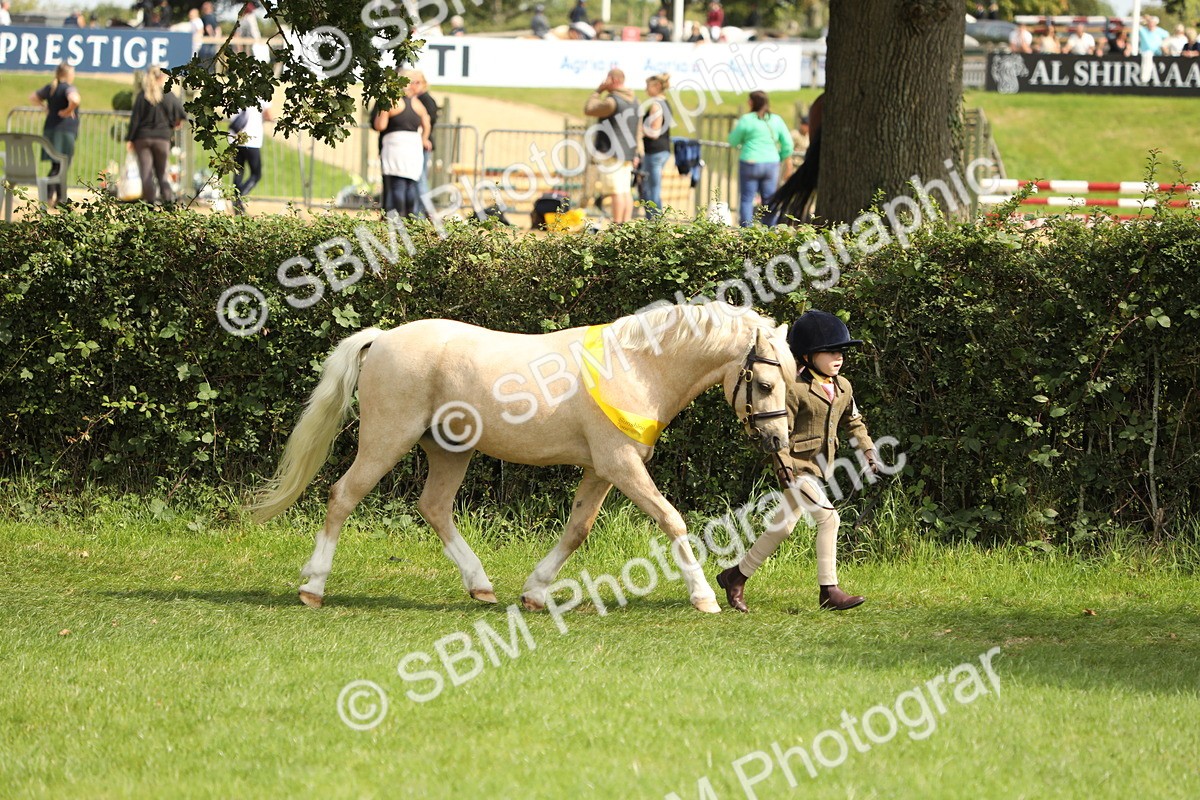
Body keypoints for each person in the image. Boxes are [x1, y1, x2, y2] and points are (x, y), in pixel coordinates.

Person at [715, 310, 878, 613]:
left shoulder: (843, 387)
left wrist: (867, 451)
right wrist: (783, 465)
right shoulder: (795, 389)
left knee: (782, 527)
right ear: (807, 356)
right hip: (797, 467)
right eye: (829, 351)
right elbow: (779, 432)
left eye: (840, 351)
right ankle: (828, 590)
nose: (837, 357)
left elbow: (854, 423)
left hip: (820, 468)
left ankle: (734, 576)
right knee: (829, 518)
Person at [727, 90, 792, 227]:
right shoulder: (776, 120)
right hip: (771, 164)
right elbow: (788, 144)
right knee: (769, 200)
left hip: (750, 162)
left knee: (746, 199)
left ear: (752, 102)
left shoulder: (747, 119)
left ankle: (747, 232)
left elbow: (733, 140)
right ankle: (769, 231)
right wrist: (779, 157)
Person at [372, 69, 431, 218]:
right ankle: (410, 220)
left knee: (396, 186)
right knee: (410, 186)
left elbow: (380, 126)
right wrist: (424, 138)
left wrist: (380, 111)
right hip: (414, 149)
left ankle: (396, 219)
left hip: (395, 147)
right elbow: (427, 123)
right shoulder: (418, 104)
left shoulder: (392, 102)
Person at [583, 68, 638, 224]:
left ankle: (617, 224)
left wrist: (598, 91)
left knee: (616, 191)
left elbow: (589, 109)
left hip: (611, 152)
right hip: (627, 152)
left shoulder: (612, 101)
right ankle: (625, 224)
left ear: (613, 80)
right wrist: (636, 152)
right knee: (625, 191)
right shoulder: (634, 100)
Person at [126, 65, 185, 205]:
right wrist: (173, 124)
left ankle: (150, 203)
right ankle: (168, 201)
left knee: (146, 174)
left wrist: (130, 139)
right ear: (163, 77)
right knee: (162, 172)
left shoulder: (142, 95)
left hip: (142, 138)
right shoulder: (168, 95)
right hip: (162, 138)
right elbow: (181, 114)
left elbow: (135, 120)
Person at [29, 63, 82, 208]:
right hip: (64, 132)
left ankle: (55, 197)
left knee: (56, 165)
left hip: (50, 130)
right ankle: (57, 198)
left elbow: (33, 97)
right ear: (69, 74)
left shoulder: (51, 87)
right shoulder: (67, 87)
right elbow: (75, 99)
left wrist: (45, 107)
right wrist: (67, 110)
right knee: (62, 165)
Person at [228, 98, 273, 214]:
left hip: (235, 138)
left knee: (238, 172)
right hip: (251, 139)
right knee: (256, 174)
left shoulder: (238, 92)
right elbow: (267, 114)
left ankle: (237, 205)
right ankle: (239, 198)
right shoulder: (263, 94)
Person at [639, 73, 673, 218]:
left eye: (648, 86)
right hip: (661, 150)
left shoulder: (656, 105)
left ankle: (655, 222)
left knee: (650, 189)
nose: (646, 89)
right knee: (651, 188)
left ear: (657, 86)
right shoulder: (665, 103)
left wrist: (639, 128)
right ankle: (655, 221)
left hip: (654, 152)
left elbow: (655, 132)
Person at [410, 71, 438, 214]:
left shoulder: (426, 100)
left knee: (420, 180)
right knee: (417, 181)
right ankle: (418, 214)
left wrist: (423, 138)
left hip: (421, 144)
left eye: (416, 82)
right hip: (417, 143)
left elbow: (429, 122)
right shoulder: (417, 99)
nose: (412, 86)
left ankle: (428, 212)